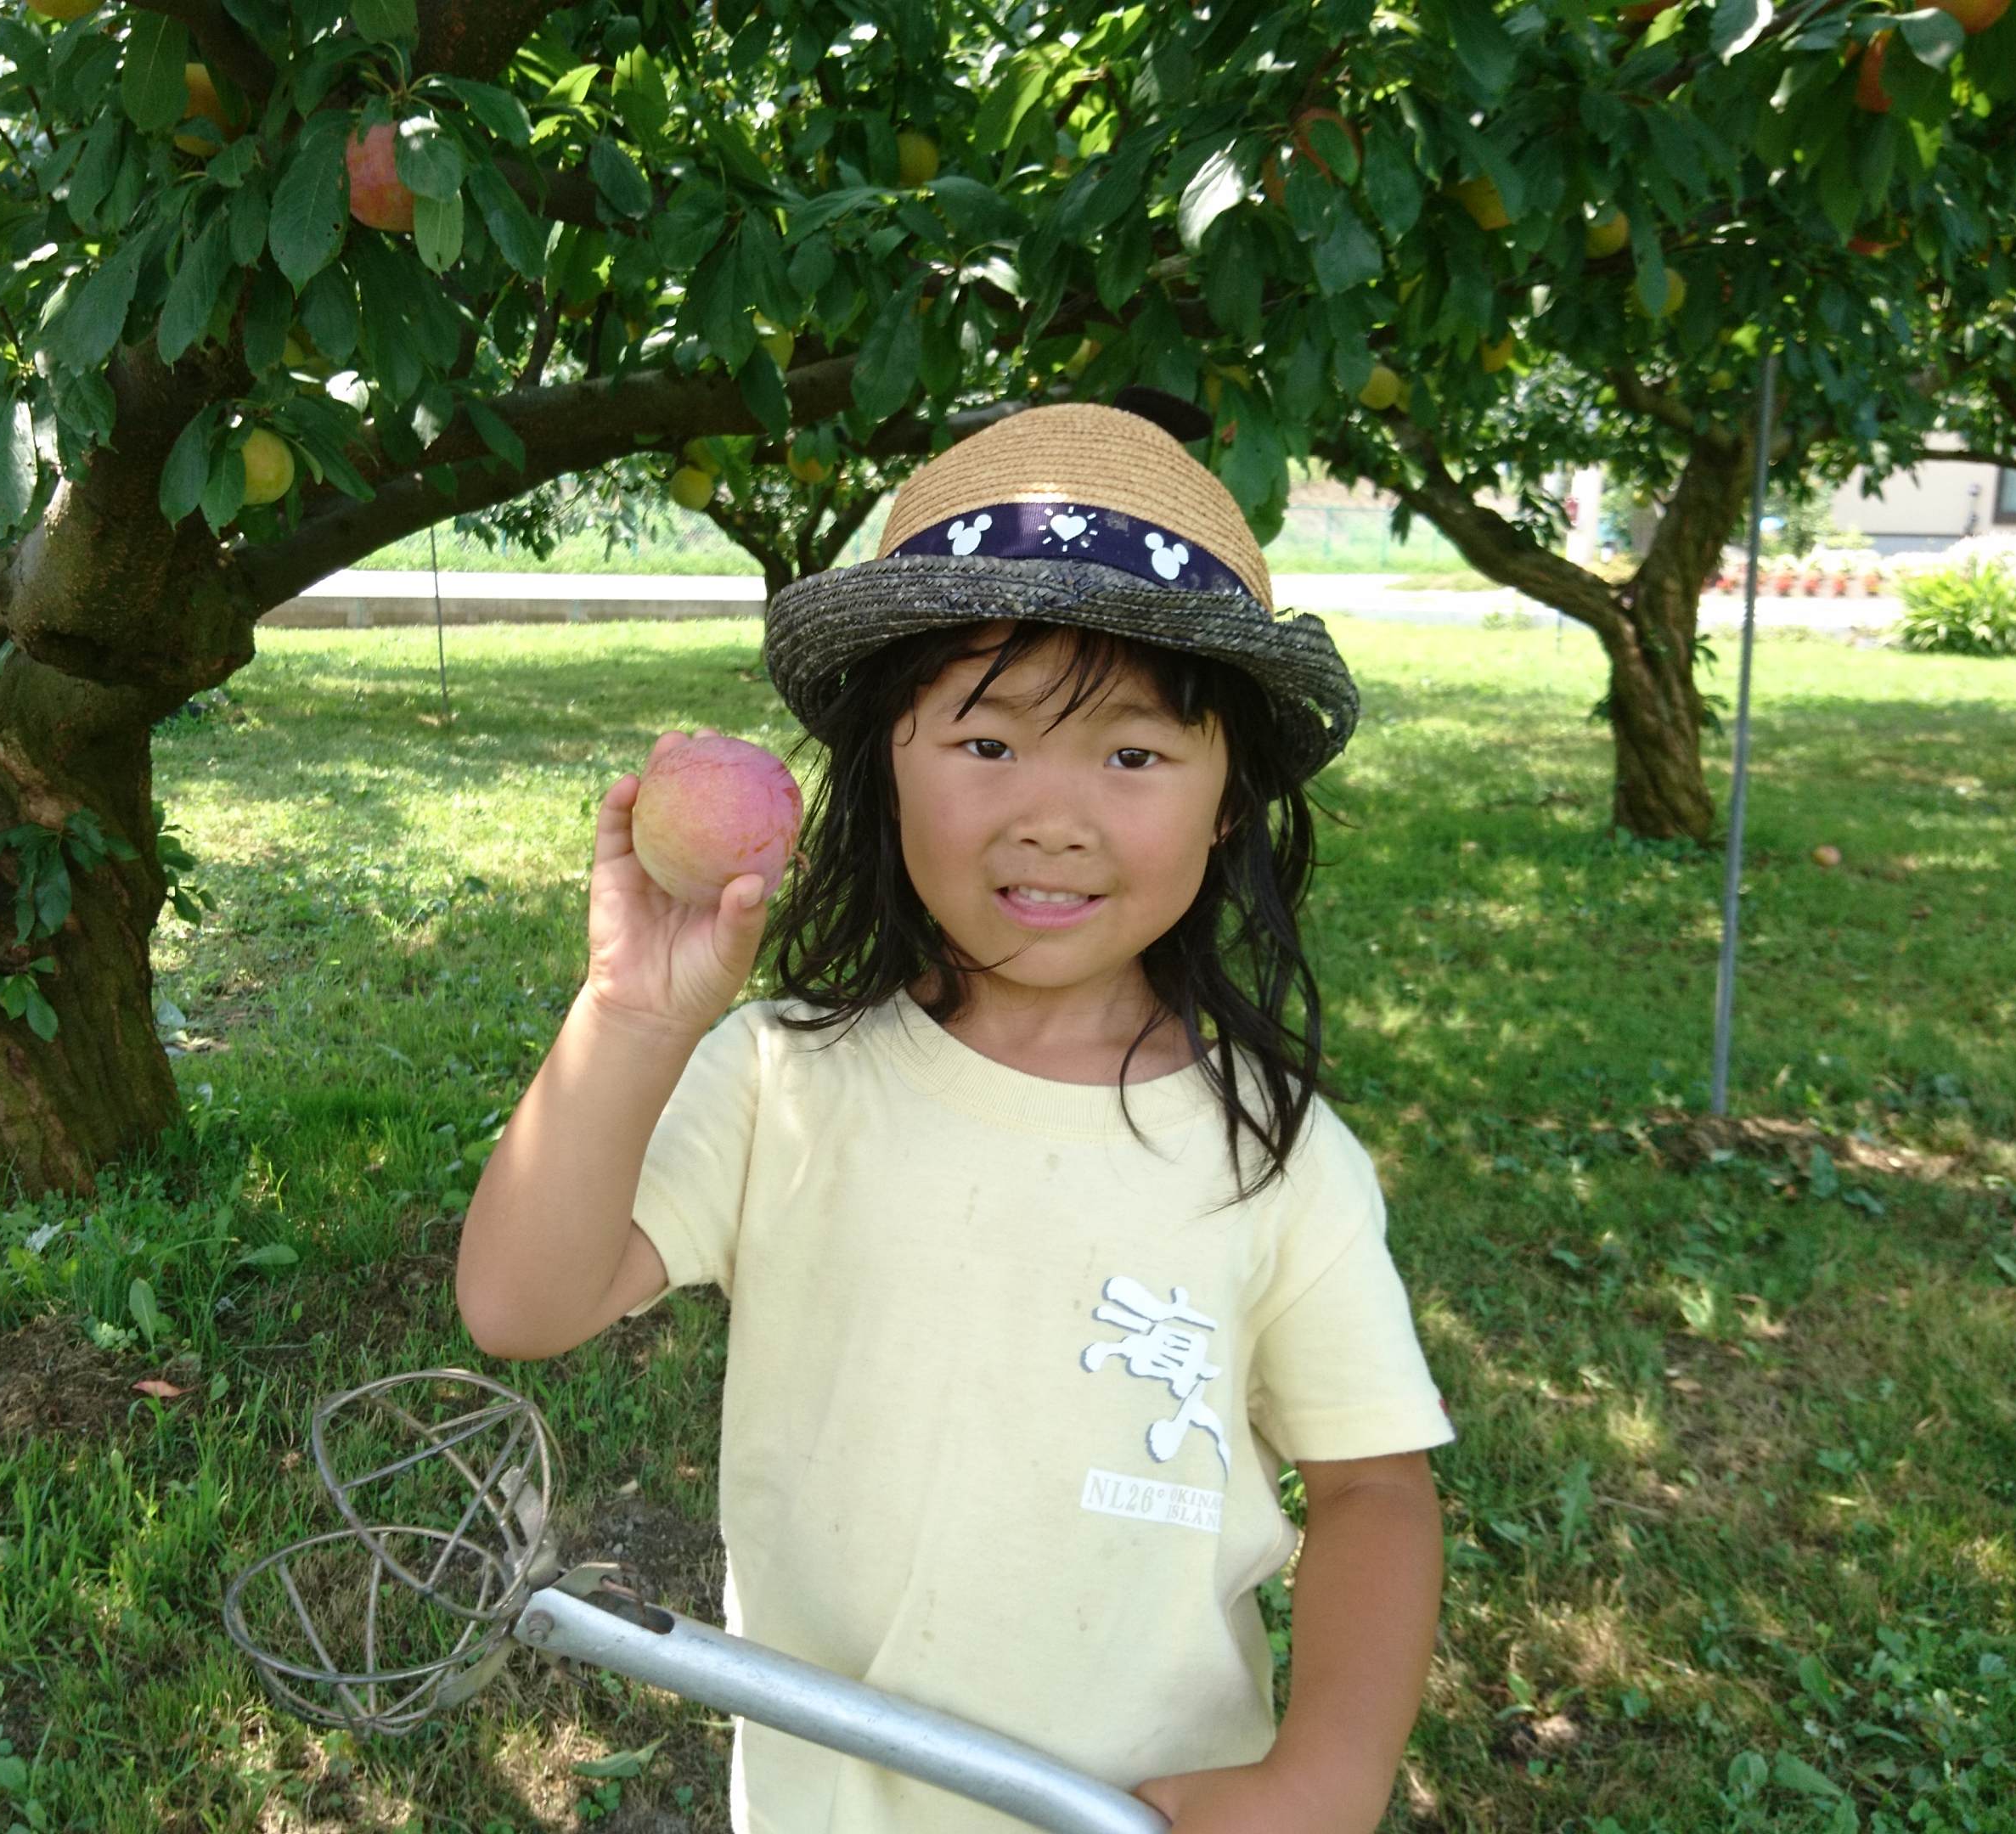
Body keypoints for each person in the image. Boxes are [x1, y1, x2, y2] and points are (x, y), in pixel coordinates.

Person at [459, 399, 1452, 1834]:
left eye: (1133, 757)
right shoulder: (784, 1082)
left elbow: (1373, 1493)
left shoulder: (1276, 1159)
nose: (1052, 816)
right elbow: (518, 1306)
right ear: (886, 765)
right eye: (986, 744)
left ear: (1229, 804)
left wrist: (1325, 1779)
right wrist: (631, 1018)